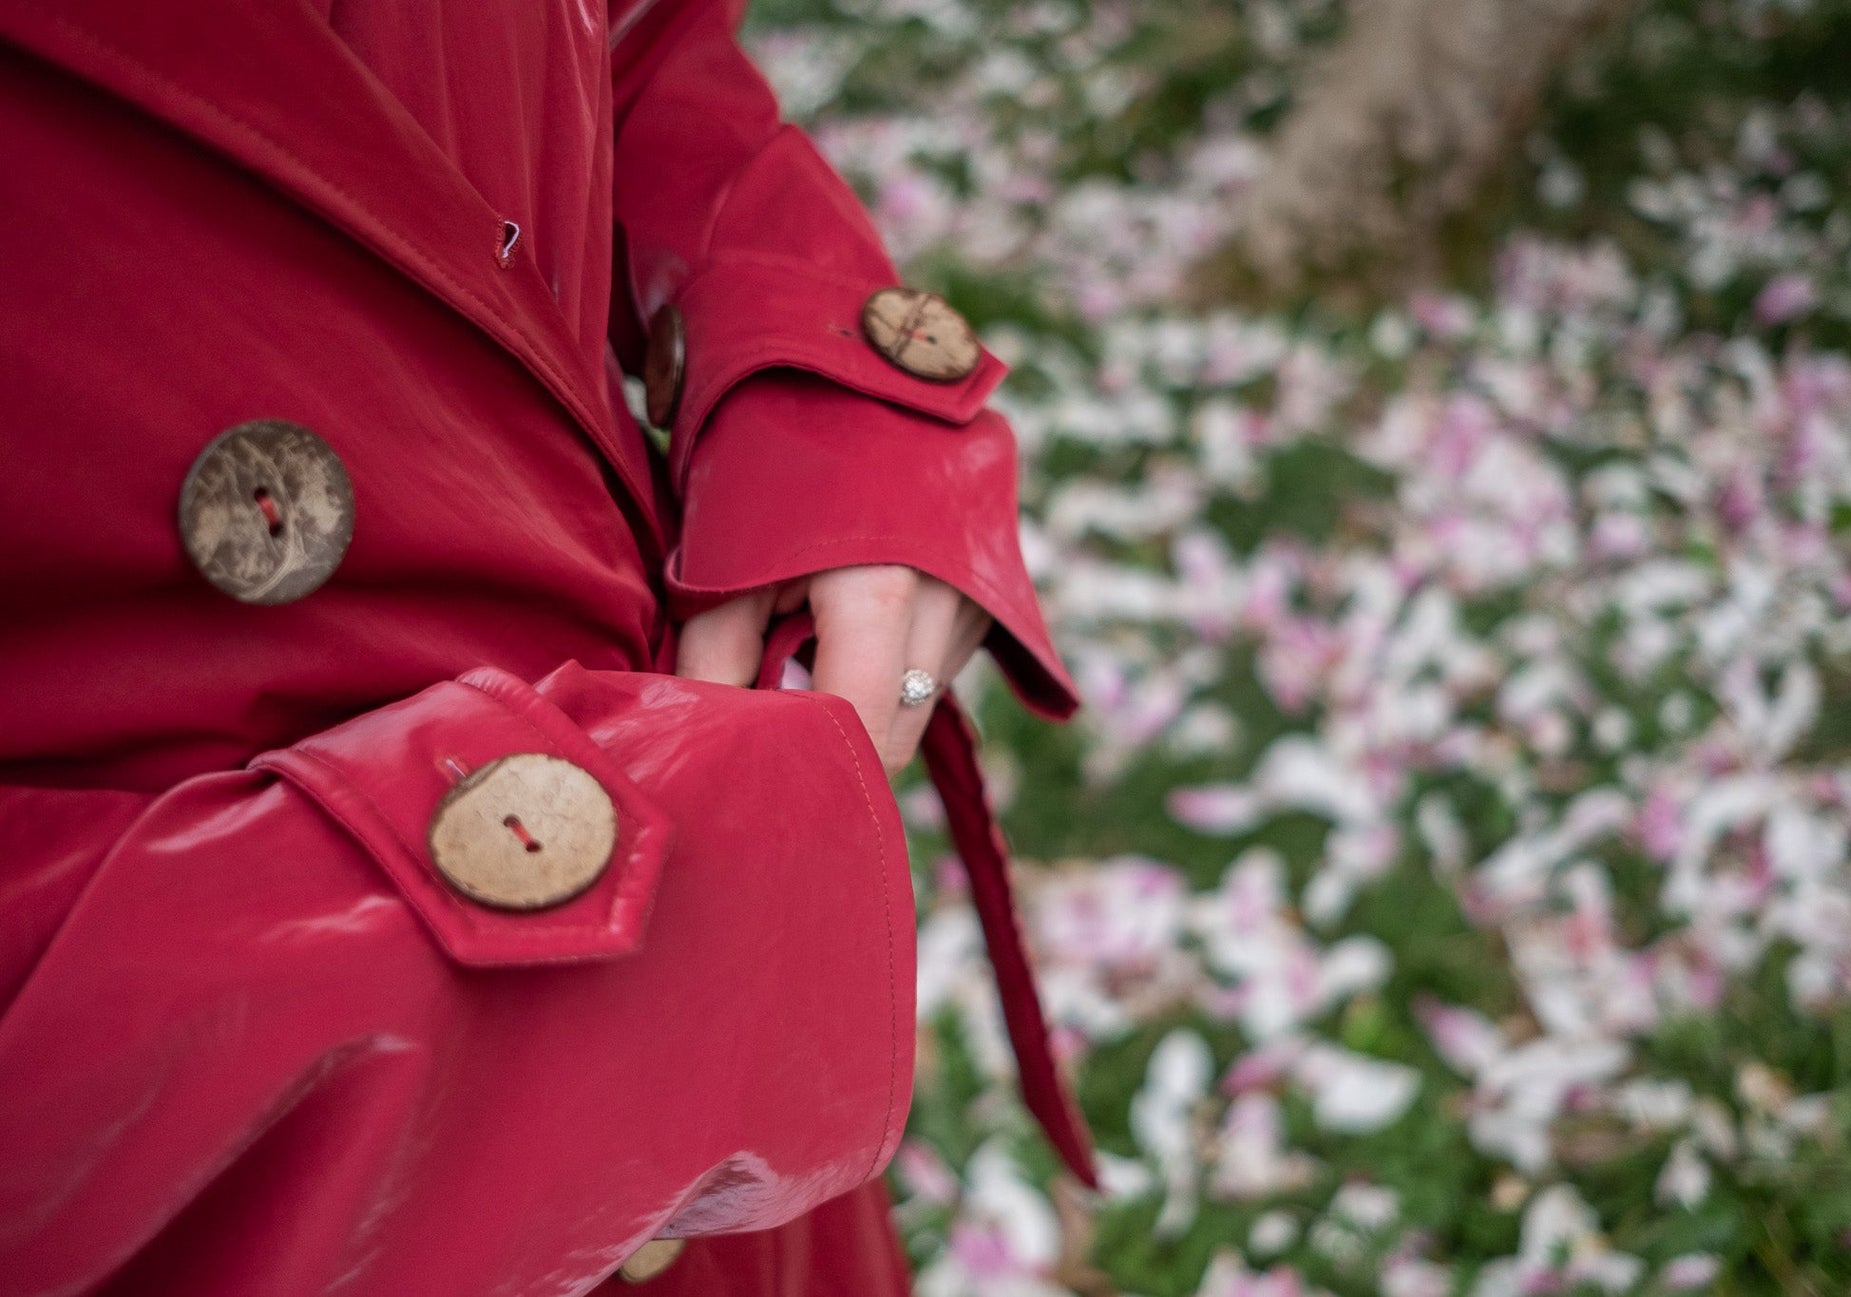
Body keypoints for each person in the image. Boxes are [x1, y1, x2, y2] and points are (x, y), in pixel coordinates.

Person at [0, 0, 1086, 1293]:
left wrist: (803, 356)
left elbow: (621, 45)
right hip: (313, 1191)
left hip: (679, 999)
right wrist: (522, 961)